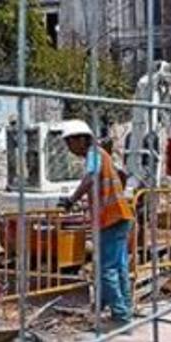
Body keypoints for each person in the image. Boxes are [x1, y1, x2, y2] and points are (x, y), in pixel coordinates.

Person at [59, 120, 135, 325]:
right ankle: (125, 309)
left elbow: (91, 176)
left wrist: (71, 200)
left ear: (81, 139)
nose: (69, 149)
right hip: (120, 216)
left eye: (69, 143)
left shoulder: (94, 154)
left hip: (110, 219)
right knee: (119, 268)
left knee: (107, 270)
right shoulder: (103, 155)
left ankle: (121, 315)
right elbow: (120, 176)